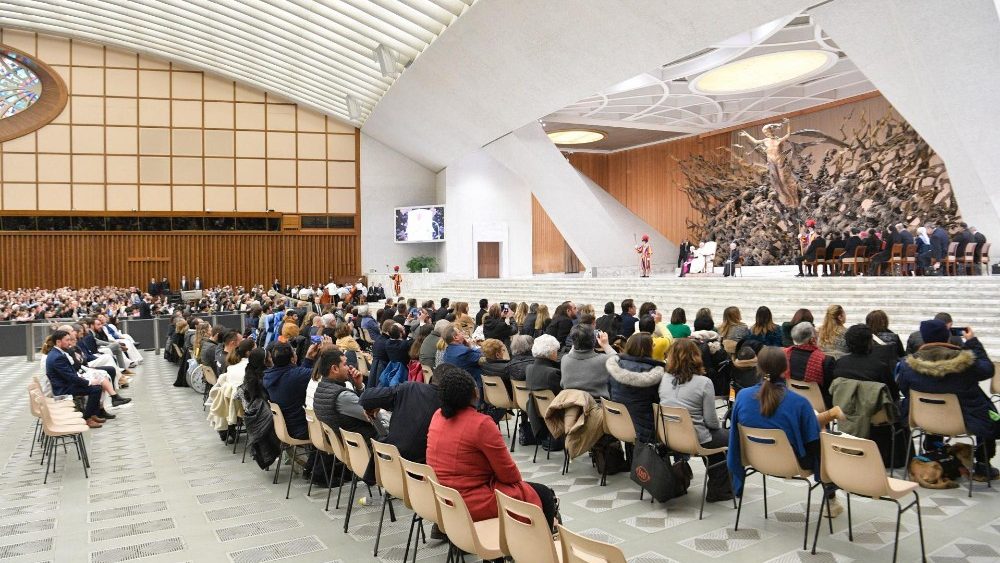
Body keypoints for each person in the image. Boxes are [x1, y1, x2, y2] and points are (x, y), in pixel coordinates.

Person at [426, 365, 559, 525]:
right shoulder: (480, 424)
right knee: (544, 494)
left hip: (443, 498)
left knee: (536, 491)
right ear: (474, 394)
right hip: (472, 502)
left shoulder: (437, 416)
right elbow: (510, 475)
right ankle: (545, 543)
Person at [727, 346, 845, 515]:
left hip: (756, 460)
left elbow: (734, 436)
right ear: (786, 368)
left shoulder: (743, 397)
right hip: (793, 464)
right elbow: (813, 443)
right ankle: (831, 499)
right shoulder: (799, 402)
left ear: (758, 367)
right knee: (824, 439)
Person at [897, 320, 998, 480]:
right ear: (948, 336)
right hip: (966, 420)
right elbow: (988, 369)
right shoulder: (965, 364)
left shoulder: (907, 366)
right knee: (990, 414)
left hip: (924, 421)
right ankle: (983, 464)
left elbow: (903, 388)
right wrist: (972, 342)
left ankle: (933, 448)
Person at [659, 338, 732, 501]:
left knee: (717, 441)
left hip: (669, 437)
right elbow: (712, 423)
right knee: (731, 436)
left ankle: (720, 485)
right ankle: (720, 488)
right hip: (695, 438)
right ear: (696, 357)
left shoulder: (664, 378)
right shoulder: (704, 382)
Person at [606, 332, 664, 444]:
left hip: (619, 425)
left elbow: (610, 392)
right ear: (648, 349)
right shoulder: (654, 372)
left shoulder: (615, 367)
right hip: (647, 430)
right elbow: (659, 402)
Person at [46, 329, 106, 427]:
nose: (69, 343)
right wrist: (89, 382)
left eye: (70, 340)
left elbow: (71, 373)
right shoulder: (57, 357)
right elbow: (70, 377)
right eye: (67, 340)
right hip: (63, 388)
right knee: (96, 389)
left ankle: (93, 415)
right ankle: (87, 418)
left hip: (67, 383)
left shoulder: (58, 352)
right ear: (58, 342)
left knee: (97, 385)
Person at [263, 341, 319, 440]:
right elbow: (321, 373)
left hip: (286, 427)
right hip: (303, 428)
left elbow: (298, 374)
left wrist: (308, 359)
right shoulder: (295, 376)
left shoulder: (268, 376)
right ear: (293, 358)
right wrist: (327, 352)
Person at [785, 322, 836, 408]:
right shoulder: (826, 360)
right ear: (812, 339)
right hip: (819, 406)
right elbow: (830, 388)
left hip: (792, 401)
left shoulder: (785, 354)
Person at [560, 325, 616, 400]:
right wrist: (606, 345)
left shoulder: (565, 359)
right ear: (593, 340)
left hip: (570, 404)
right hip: (597, 406)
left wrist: (577, 341)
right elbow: (620, 362)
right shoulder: (604, 360)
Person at [440, 324, 483, 389]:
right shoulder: (464, 351)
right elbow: (483, 355)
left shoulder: (447, 351)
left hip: (456, 386)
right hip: (472, 387)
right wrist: (472, 346)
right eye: (459, 332)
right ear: (455, 337)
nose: (462, 333)